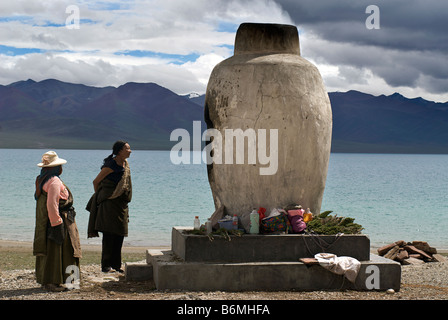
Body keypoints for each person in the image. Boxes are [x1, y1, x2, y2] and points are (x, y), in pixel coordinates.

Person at [34, 151, 82, 292]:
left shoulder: (41, 180)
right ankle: (59, 282)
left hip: (49, 222)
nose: (61, 168)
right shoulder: (54, 181)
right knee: (66, 250)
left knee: (52, 252)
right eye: (59, 165)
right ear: (55, 168)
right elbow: (52, 204)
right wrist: (57, 224)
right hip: (59, 221)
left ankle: (49, 280)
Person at [87, 141, 132, 273]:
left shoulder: (126, 165)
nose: (130, 151)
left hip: (120, 205)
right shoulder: (110, 165)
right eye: (127, 148)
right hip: (108, 204)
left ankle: (116, 265)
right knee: (109, 235)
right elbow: (96, 182)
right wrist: (101, 196)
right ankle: (106, 265)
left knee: (120, 233)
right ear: (119, 151)